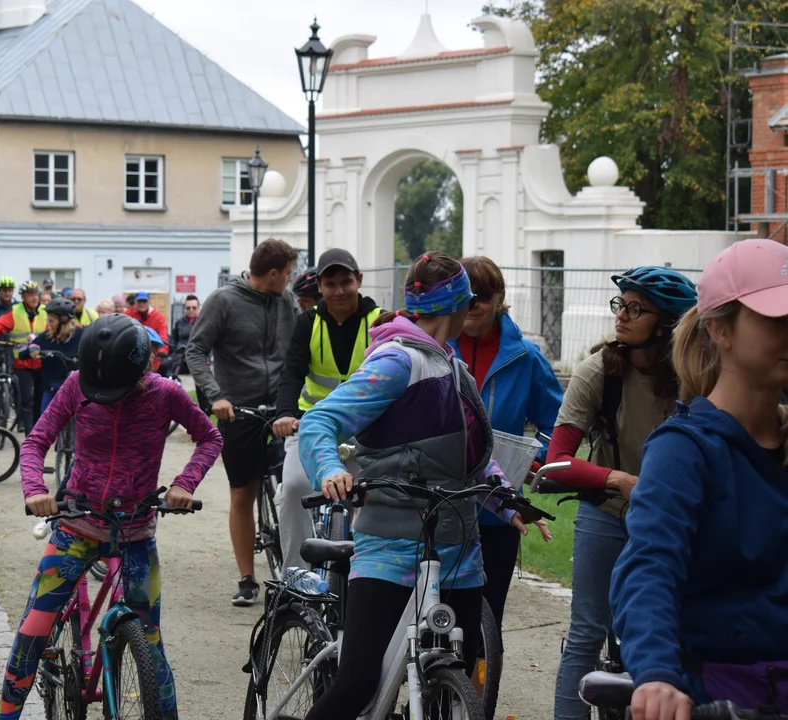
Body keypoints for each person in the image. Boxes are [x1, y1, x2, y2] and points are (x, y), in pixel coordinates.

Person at [296, 252, 536, 720]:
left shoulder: (452, 364)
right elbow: (320, 420)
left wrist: (509, 504)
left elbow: (469, 460)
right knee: (359, 684)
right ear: (462, 305)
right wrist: (329, 470)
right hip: (392, 543)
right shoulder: (397, 361)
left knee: (455, 675)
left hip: (458, 547)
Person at [0, 313, 223, 720]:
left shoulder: (165, 394)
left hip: (136, 529)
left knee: (150, 643)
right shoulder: (74, 386)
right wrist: (35, 490)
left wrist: (184, 484)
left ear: (144, 369)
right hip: (76, 522)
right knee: (34, 629)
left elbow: (210, 437)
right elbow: (35, 443)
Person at [611, 239, 788, 720]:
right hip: (720, 697)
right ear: (719, 330)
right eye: (776, 319)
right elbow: (649, 566)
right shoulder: (684, 450)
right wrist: (657, 677)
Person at [548, 266, 698, 720]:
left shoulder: (693, 377)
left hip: (672, 518)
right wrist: (617, 480)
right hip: (608, 514)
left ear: (668, 324)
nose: (622, 316)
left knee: (664, 636)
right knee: (585, 633)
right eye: (621, 305)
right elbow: (557, 460)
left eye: (636, 308)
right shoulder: (599, 371)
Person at [449, 255, 561, 665]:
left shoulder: (526, 357)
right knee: (436, 612)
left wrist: (538, 462)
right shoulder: (437, 346)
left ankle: (477, 693)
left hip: (499, 508)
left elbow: (558, 421)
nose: (474, 304)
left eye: (483, 296)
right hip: (441, 499)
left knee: (486, 616)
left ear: (501, 299)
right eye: (466, 295)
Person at [186, 237, 298, 605]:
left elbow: (299, 349)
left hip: (282, 409)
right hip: (238, 410)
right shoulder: (224, 301)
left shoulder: (288, 302)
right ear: (272, 273)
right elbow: (196, 350)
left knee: (295, 490)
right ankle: (247, 577)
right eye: (288, 273)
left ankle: (295, 573)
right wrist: (215, 395)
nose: (291, 279)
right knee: (243, 493)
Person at [273, 248, 381, 572]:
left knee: (376, 497)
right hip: (312, 424)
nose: (339, 291)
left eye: (346, 282)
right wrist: (284, 414)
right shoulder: (308, 322)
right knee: (293, 488)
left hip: (368, 429)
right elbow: (291, 372)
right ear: (319, 286)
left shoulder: (380, 322)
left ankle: (371, 571)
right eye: (330, 283)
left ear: (359, 280)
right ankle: (296, 577)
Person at [0, 281, 45, 434]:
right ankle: (30, 436)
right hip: (22, 364)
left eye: (36, 294)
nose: (34, 298)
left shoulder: (45, 312)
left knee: (40, 401)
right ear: (23, 296)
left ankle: (39, 433)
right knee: (26, 400)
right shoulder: (15, 312)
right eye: (30, 294)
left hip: (42, 362)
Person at [28, 296, 83, 417]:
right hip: (52, 387)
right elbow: (31, 346)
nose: (49, 324)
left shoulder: (80, 334)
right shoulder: (48, 336)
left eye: (52, 321)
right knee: (45, 426)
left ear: (63, 320)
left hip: (74, 387)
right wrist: (32, 347)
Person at [126, 291, 168, 370]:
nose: (142, 304)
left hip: (153, 356)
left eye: (144, 301)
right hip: (133, 354)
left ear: (149, 302)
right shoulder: (128, 314)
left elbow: (163, 336)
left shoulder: (158, 317)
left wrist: (162, 351)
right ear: (135, 302)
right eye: (139, 301)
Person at [170, 295, 200, 375]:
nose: (191, 310)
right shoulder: (179, 323)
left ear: (198, 308)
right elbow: (173, 338)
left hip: (197, 357)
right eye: (188, 308)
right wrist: (175, 349)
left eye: (194, 308)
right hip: (180, 356)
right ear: (184, 308)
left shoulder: (203, 323)